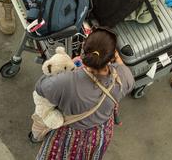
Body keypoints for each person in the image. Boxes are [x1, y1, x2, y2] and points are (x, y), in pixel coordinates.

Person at [33, 28, 134, 159]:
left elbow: (41, 87)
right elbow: (123, 70)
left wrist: (65, 68)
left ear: (83, 49)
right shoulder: (125, 77)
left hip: (70, 136)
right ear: (112, 56)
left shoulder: (65, 82)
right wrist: (115, 58)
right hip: (100, 134)